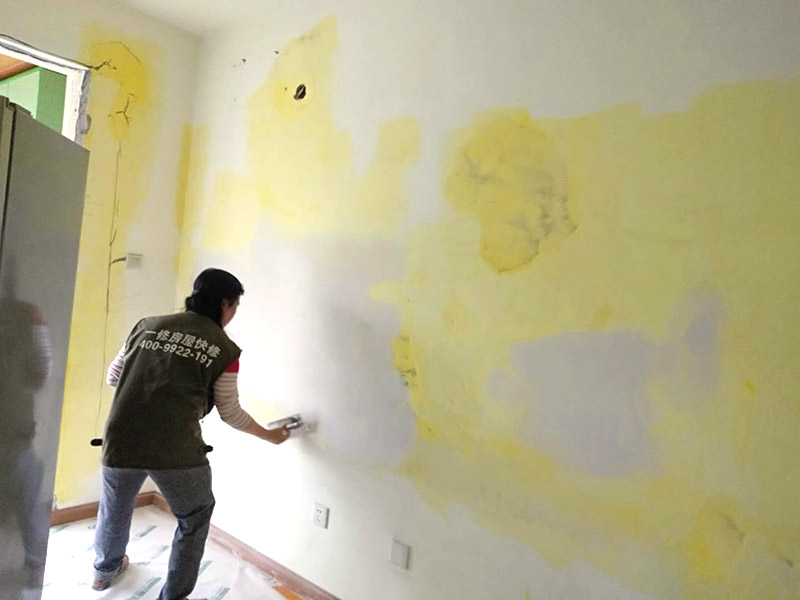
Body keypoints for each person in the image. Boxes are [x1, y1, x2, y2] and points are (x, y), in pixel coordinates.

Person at [92, 268, 291, 600]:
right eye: (234, 306)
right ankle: (173, 596)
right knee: (195, 516)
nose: (233, 314)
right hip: (175, 447)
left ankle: (104, 572)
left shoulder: (147, 325)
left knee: (115, 506)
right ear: (225, 303)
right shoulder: (225, 349)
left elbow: (114, 377)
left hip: (120, 438)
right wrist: (269, 435)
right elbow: (231, 413)